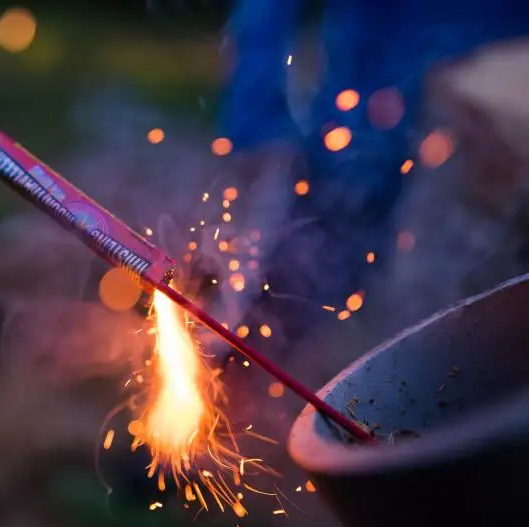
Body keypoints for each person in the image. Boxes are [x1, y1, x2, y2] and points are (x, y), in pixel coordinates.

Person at [219, 0, 529, 344]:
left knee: (470, 318)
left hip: (480, 118)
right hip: (362, 139)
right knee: (301, 296)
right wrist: (257, 115)